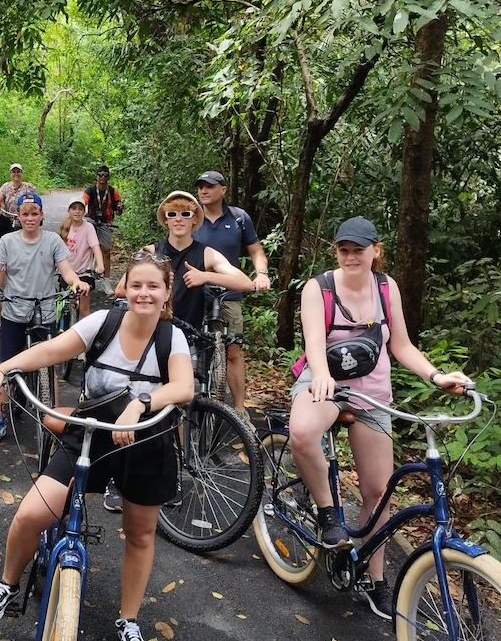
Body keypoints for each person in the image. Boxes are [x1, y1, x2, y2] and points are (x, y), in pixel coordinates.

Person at [0, 255, 195, 641]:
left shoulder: (170, 336)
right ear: (124, 287)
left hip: (145, 438)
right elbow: (51, 350)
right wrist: (4, 368)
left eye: (153, 287)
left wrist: (140, 403)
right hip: (91, 434)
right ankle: (8, 583)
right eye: (136, 285)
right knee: (31, 515)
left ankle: (128, 619)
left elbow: (182, 387)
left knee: (140, 534)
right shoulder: (104, 323)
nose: (144, 294)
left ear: (166, 293)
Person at [289, 216, 471, 619]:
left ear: (376, 251)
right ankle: (327, 513)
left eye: (359, 249)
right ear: (336, 252)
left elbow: (402, 345)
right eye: (344, 250)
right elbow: (314, 344)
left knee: (377, 492)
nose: (351, 256)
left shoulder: (387, 288)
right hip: (328, 384)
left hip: (373, 395)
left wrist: (437, 376)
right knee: (302, 431)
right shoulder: (318, 288)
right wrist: (320, 376)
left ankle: (375, 579)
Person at [108, 190, 252, 511]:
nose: (178, 220)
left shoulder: (206, 254)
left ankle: (171, 475)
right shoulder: (152, 252)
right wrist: (148, 284)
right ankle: (120, 478)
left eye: (185, 214)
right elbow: (121, 288)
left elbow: (244, 281)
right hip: (147, 335)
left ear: (195, 219)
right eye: (172, 214)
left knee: (179, 407)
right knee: (134, 400)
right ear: (165, 220)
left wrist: (205, 276)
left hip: (186, 338)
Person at [0, 193, 91, 445]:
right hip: (14, 311)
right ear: (18, 216)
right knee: (6, 366)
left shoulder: (52, 240)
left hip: (45, 311)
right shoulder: (8, 241)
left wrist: (76, 282)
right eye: (25, 213)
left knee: (49, 366)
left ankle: (52, 415)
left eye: (34, 213)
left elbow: (66, 271)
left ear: (42, 215)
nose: (30, 218)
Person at [192, 170, 270, 417]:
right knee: (189, 345)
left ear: (223, 189)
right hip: (195, 290)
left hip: (229, 293)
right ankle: (190, 398)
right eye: (201, 186)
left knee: (234, 351)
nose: (204, 191)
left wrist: (262, 273)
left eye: (210, 186)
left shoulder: (238, 218)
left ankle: (238, 409)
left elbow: (256, 251)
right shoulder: (191, 217)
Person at [58, 197, 104, 319]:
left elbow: (95, 247)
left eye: (80, 209)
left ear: (84, 211)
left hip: (84, 272)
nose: (77, 211)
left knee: (84, 309)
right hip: (67, 272)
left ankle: (84, 334)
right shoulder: (65, 227)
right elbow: (57, 251)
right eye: (74, 208)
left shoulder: (88, 227)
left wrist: (100, 265)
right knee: (63, 307)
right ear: (69, 211)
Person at [82, 164, 123, 277]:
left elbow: (118, 208)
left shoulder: (113, 191)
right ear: (97, 177)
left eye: (105, 175)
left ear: (108, 177)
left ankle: (106, 280)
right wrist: (79, 209)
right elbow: (83, 202)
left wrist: (119, 207)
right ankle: (85, 274)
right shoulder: (90, 190)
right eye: (100, 175)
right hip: (91, 221)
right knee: (87, 249)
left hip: (106, 223)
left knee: (106, 251)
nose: (103, 178)